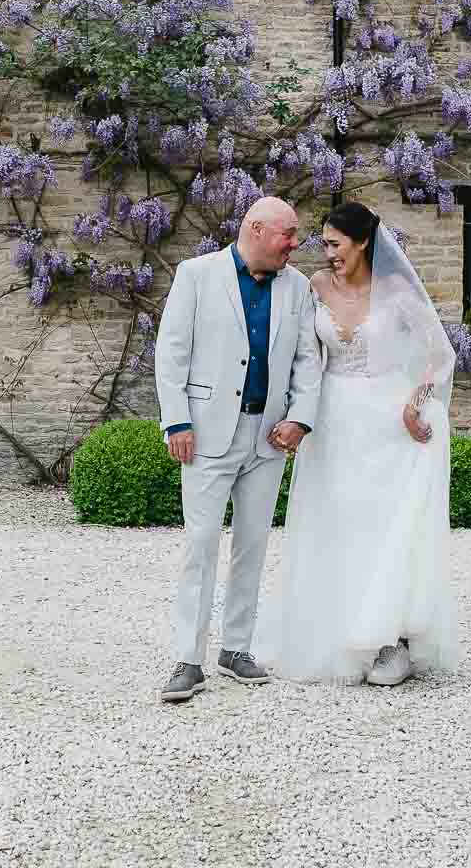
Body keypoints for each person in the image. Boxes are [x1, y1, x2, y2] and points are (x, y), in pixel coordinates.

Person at [260, 200, 459, 686]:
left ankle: (390, 637)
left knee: (384, 525)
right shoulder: (316, 287)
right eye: (323, 244)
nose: (327, 253)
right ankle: (337, 631)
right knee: (336, 521)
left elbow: (440, 354)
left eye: (335, 244)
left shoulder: (396, 291)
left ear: (363, 242)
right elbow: (302, 357)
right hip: (333, 421)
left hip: (388, 422)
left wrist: (417, 401)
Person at [151, 196, 322, 704]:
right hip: (206, 435)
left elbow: (308, 361)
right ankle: (187, 658)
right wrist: (176, 420)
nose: (296, 243)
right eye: (288, 234)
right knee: (200, 546)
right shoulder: (196, 274)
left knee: (252, 545)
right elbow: (171, 351)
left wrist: (299, 418)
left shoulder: (298, 287)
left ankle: (236, 648)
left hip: (268, 436)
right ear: (256, 228)